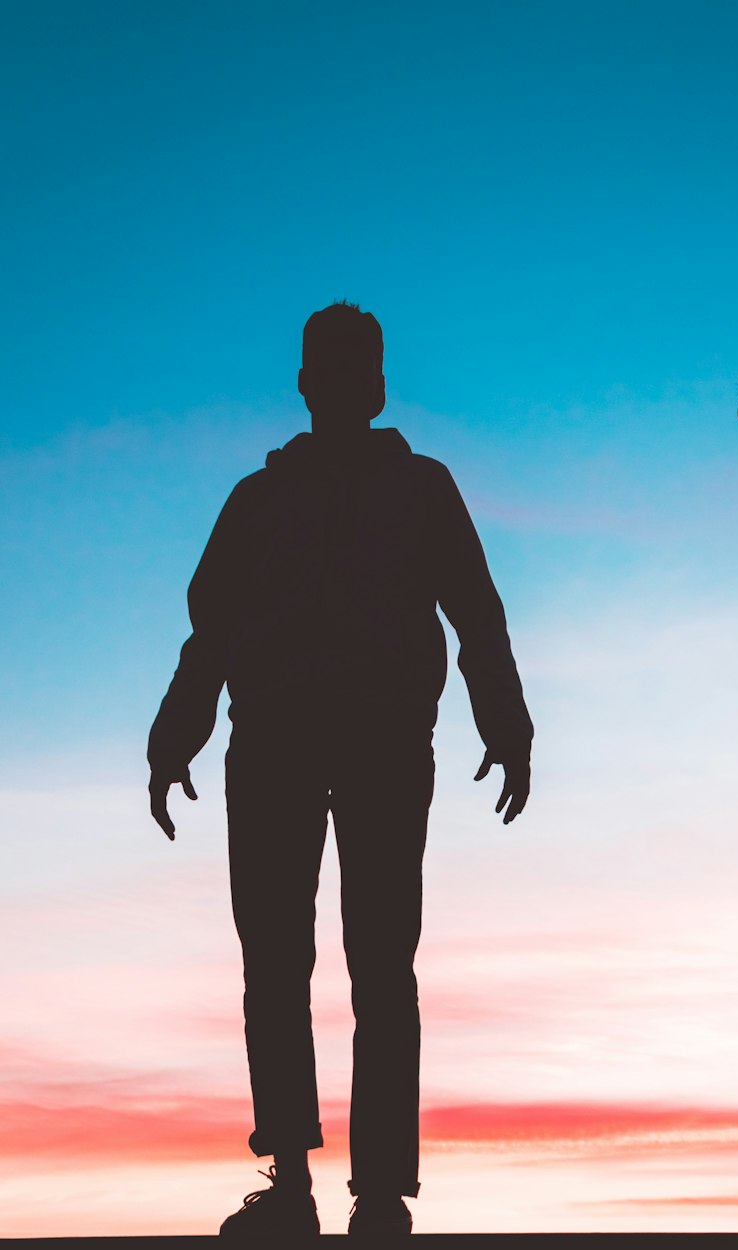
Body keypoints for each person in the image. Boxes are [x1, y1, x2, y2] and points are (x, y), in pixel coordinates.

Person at [147, 302, 533, 1237]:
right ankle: (288, 1182)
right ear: (310, 383)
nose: (352, 384)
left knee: (380, 966)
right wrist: (175, 735)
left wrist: (506, 722)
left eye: (365, 368)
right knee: (275, 963)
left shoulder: (422, 489)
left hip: (384, 745)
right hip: (274, 744)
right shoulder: (257, 501)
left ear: (377, 384)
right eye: (337, 367)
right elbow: (213, 632)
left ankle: (381, 1193)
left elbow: (476, 611)